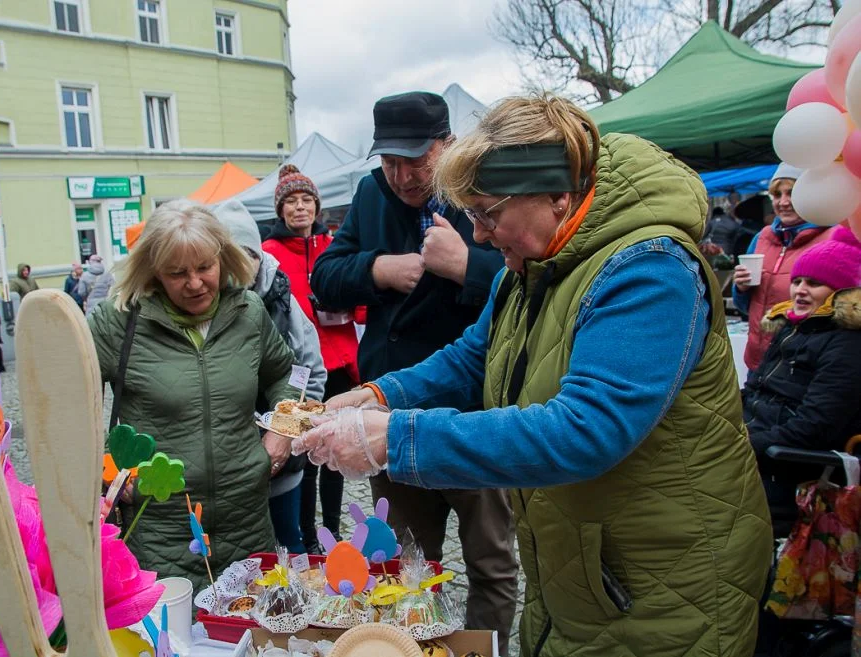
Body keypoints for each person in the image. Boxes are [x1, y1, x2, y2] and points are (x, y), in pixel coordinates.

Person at [297, 94, 773, 657]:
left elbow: (586, 428)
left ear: (558, 195)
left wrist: (394, 438)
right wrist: (375, 394)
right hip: (586, 568)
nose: (476, 235)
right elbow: (472, 358)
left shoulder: (650, 268)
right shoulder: (533, 265)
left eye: (487, 212)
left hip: (665, 580)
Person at [309, 91, 517, 652]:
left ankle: (483, 648)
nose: (401, 176)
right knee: (401, 559)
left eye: (415, 160)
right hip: (389, 411)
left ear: (446, 145)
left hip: (472, 411)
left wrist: (466, 267)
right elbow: (325, 276)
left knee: (490, 559)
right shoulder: (371, 193)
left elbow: (527, 274)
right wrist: (378, 269)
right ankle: (403, 647)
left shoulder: (477, 189)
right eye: (389, 161)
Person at [88, 199, 300, 590]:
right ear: (154, 272)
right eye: (177, 273)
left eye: (205, 267)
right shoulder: (117, 322)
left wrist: (282, 431)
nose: (195, 283)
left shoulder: (249, 312)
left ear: (223, 257)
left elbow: (289, 374)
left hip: (248, 522)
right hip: (160, 531)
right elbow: (69, 409)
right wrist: (108, 468)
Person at [213, 198, 327, 554]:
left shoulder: (284, 304)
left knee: (287, 546)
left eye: (245, 255)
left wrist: (284, 439)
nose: (237, 268)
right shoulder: (204, 301)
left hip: (282, 466)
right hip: (223, 472)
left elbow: (312, 374)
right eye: (226, 257)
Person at [262, 164, 361, 553]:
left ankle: (332, 532)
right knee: (301, 454)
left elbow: (361, 304)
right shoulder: (270, 253)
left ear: (317, 206)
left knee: (332, 452)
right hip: (298, 369)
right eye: (291, 202)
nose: (300, 208)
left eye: (306, 200)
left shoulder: (334, 245)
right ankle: (304, 534)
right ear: (281, 210)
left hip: (339, 364)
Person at [743, 225, 861, 538]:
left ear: (842, 294)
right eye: (796, 281)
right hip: (756, 446)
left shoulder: (848, 344)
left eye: (814, 283)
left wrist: (742, 444)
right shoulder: (793, 328)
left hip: (788, 469)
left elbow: (814, 427)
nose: (800, 290)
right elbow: (755, 391)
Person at [732, 164, 830, 372]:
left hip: (802, 364)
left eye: (792, 193)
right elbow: (745, 308)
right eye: (777, 194)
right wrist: (741, 288)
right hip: (758, 362)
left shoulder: (830, 238)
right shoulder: (762, 238)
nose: (783, 202)